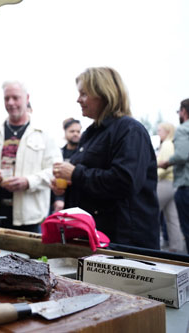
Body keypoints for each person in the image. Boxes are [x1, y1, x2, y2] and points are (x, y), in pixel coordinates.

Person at [52, 67, 160, 249]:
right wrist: (66, 188)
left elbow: (125, 182)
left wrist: (76, 174)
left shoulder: (130, 130)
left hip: (124, 240)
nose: (78, 99)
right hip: (96, 236)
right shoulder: (90, 134)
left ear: (104, 94)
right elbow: (90, 182)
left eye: (84, 94)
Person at [0, 80, 62, 232]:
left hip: (30, 218)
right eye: (6, 98)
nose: (10, 103)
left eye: (15, 98)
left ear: (27, 98)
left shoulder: (44, 135)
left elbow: (55, 171)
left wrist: (28, 182)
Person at [159, 99, 189, 253]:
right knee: (173, 219)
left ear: (183, 111)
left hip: (179, 184)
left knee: (150, 210)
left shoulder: (182, 130)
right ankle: (176, 248)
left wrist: (162, 165)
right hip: (176, 184)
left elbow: (181, 156)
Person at [51, 118, 82, 213]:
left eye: (78, 131)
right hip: (59, 198)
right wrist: (59, 199)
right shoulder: (59, 153)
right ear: (65, 132)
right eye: (72, 131)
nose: (75, 134)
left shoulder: (83, 154)